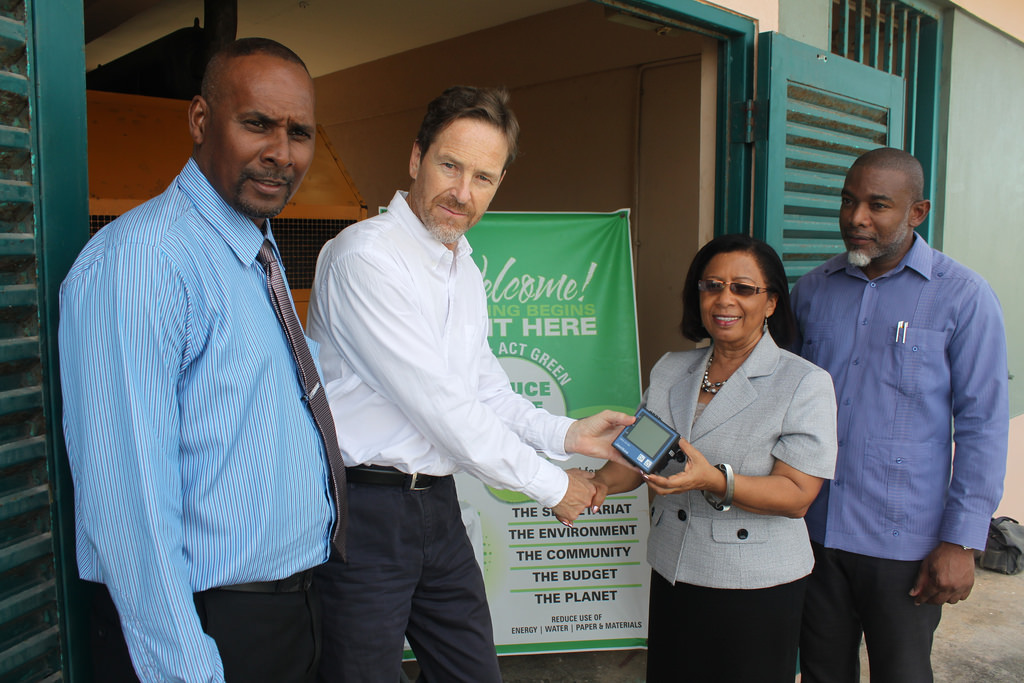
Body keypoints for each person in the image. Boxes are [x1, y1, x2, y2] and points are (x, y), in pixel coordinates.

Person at [306, 85, 634, 682]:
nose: (463, 192)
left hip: (436, 505)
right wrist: (551, 485)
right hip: (365, 511)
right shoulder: (365, 259)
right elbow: (444, 410)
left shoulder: (463, 264)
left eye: (484, 177)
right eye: (450, 166)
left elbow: (486, 392)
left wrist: (570, 434)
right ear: (415, 159)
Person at [59, 38, 342, 682]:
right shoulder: (143, 261)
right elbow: (126, 503)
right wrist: (186, 666)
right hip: (202, 632)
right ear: (199, 120)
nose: (282, 153)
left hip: (291, 611)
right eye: (257, 124)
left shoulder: (255, 251)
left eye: (300, 133)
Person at [792, 147, 1009, 682]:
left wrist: (961, 541)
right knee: (822, 673)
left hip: (904, 541)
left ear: (917, 213)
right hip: (813, 533)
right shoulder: (814, 290)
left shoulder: (963, 297)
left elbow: (982, 425)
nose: (856, 218)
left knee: (902, 674)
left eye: (877, 205)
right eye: (848, 201)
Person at [592, 234, 838, 682]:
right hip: (674, 570)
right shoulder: (671, 368)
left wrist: (715, 481)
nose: (725, 299)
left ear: (771, 303)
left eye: (744, 288)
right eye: (712, 286)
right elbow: (639, 455)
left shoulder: (804, 382)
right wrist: (594, 485)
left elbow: (798, 495)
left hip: (756, 584)